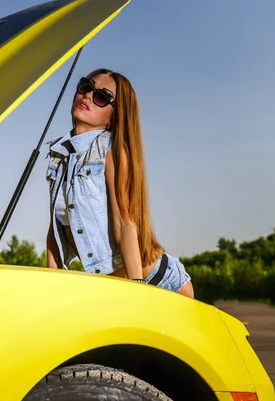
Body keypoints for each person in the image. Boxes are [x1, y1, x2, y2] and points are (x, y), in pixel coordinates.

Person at [46, 69, 194, 298]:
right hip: (113, 284)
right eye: (86, 87)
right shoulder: (60, 156)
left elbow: (125, 222)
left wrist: (136, 288)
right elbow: (55, 230)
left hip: (154, 281)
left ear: (114, 116)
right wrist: (50, 285)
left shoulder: (111, 151)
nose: (87, 96)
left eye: (102, 96)